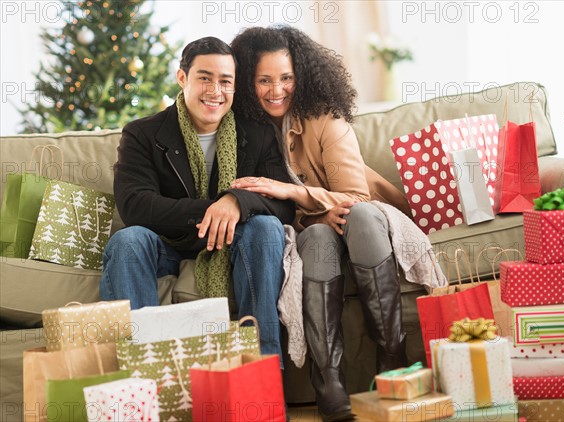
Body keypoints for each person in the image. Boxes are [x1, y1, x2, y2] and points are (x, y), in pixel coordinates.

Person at [230, 26, 422, 422]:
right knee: (317, 235)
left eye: (286, 78)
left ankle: (393, 356)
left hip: (360, 221)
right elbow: (260, 204)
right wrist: (315, 210)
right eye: (264, 80)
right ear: (249, 82)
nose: (276, 90)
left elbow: (357, 197)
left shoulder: (324, 119)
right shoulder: (240, 131)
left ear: (302, 77)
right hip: (307, 230)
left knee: (362, 215)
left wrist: (298, 194)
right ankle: (328, 379)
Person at [99, 37, 295, 365]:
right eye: (204, 78)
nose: (215, 90)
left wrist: (235, 202)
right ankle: (143, 379)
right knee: (128, 241)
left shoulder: (258, 134)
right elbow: (135, 204)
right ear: (182, 78)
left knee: (264, 228)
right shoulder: (142, 134)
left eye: (225, 81)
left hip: (234, 244)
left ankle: (264, 376)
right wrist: (212, 209)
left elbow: (283, 203)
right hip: (169, 244)